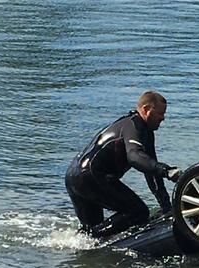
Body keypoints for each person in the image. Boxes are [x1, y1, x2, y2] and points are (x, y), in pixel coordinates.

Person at [65, 91, 180, 237]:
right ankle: (91, 237)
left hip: (74, 177)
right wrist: (166, 170)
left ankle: (78, 243)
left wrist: (165, 206)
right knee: (138, 212)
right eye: (160, 113)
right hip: (91, 177)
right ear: (145, 109)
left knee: (93, 234)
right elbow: (134, 156)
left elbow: (150, 171)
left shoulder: (145, 132)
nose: (163, 118)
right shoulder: (134, 125)